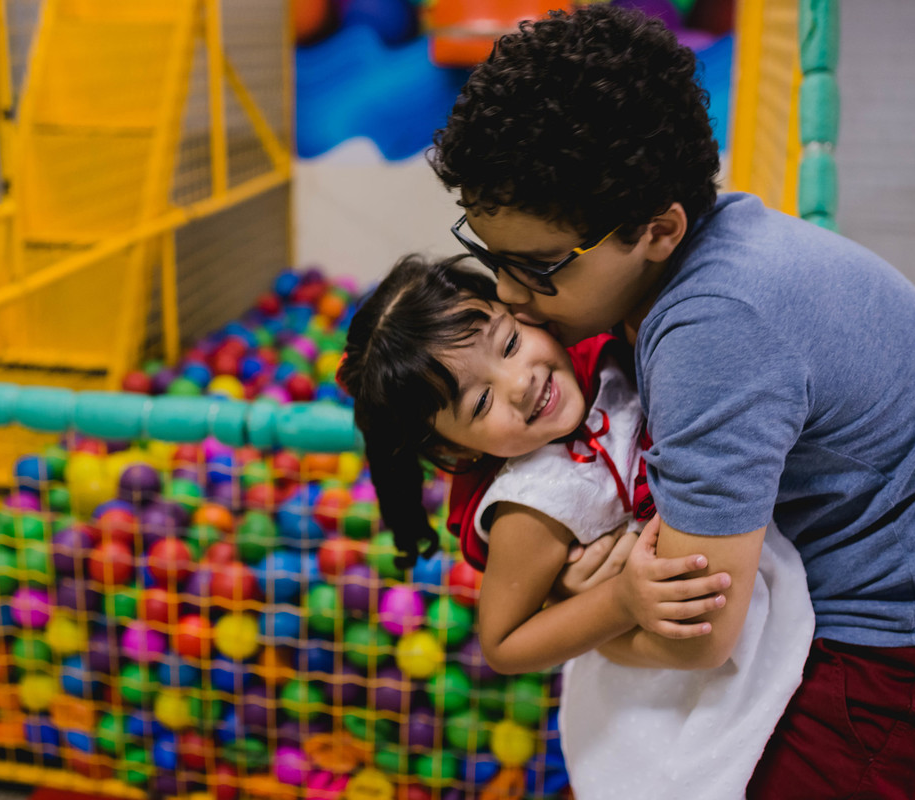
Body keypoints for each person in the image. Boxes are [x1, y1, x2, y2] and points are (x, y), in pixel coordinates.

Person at [427, 4, 915, 798]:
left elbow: (698, 639)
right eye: (493, 259)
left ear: (658, 229)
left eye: (539, 266)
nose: (509, 296)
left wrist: (585, 603)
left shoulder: (714, 332)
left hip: (907, 642)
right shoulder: (705, 252)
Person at [339, 254, 815, 799]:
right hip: (659, 686)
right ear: (454, 447)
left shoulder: (601, 357)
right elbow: (502, 643)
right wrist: (620, 603)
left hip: (747, 591)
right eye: (483, 400)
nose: (520, 383)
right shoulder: (532, 502)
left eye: (510, 344)